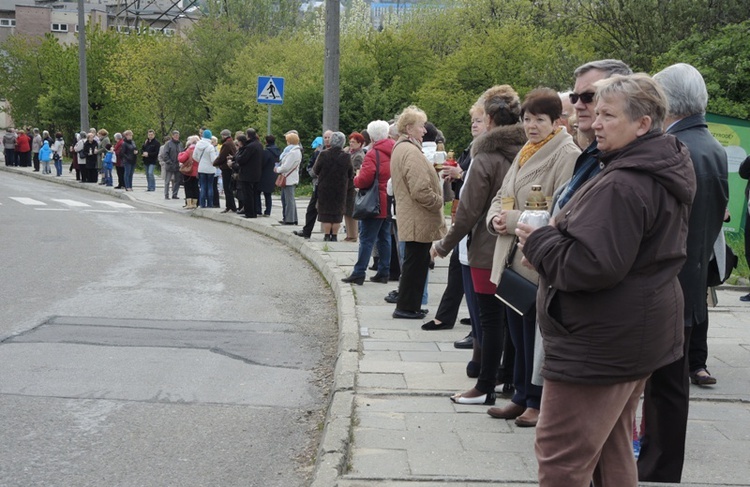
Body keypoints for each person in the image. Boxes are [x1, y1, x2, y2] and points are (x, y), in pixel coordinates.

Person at [518, 73, 696, 487]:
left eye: (607, 115)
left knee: (561, 457)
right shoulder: (650, 165)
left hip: (599, 343)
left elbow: (589, 265)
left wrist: (541, 238)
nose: (594, 123)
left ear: (643, 124)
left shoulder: (624, 182)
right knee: (610, 444)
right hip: (630, 333)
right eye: (595, 113)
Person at [635, 63, 729, 483]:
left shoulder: (680, 147)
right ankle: (657, 465)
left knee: (667, 389)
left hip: (669, 285)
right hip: (686, 282)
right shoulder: (707, 144)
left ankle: (657, 469)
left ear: (666, 101)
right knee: (668, 387)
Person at [485, 88, 580, 427]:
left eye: (540, 119)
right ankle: (521, 395)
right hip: (509, 252)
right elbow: (503, 193)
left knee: (534, 334)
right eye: (527, 118)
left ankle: (537, 402)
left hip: (534, 257)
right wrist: (494, 218)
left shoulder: (566, 153)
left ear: (558, 121)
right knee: (517, 331)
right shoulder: (526, 150)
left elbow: (559, 208)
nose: (532, 125)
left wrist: (508, 220)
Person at [432, 87, 526, 394]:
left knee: (487, 319)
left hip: (487, 245)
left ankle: (484, 385)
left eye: (481, 117)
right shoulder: (526, 149)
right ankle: (510, 378)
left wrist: (443, 245)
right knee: (512, 318)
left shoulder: (486, 155)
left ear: (491, 120)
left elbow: (469, 210)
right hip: (518, 244)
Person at [390, 105, 447, 319]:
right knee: (415, 265)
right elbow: (420, 190)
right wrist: (438, 202)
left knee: (415, 263)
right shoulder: (410, 151)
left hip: (412, 215)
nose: (425, 131)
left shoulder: (402, 148)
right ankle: (406, 307)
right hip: (417, 216)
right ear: (409, 128)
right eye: (421, 126)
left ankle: (410, 305)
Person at [341, 120, 395, 284]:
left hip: (374, 202)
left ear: (371, 137)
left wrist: (356, 180)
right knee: (385, 237)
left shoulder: (373, 153)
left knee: (366, 239)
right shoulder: (395, 150)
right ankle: (384, 271)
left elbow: (365, 180)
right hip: (389, 200)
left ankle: (359, 272)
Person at [313, 132, 353, 241]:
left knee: (326, 213)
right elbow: (351, 173)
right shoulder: (346, 156)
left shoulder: (323, 154)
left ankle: (326, 235)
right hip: (340, 188)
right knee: (337, 214)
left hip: (325, 187)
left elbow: (315, 170)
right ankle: (334, 236)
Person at [295, 131, 332, 237]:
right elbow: (310, 166)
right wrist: (314, 174)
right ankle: (307, 231)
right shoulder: (318, 152)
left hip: (331, 185)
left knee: (329, 210)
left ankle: (329, 233)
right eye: (325, 137)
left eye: (329, 137)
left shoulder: (337, 152)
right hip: (318, 184)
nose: (327, 139)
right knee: (311, 208)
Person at [275, 131, 303, 226]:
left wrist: (277, 169)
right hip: (289, 177)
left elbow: (286, 166)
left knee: (289, 200)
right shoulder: (292, 151)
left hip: (289, 178)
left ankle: (290, 219)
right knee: (288, 199)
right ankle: (291, 218)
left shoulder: (293, 152)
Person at [344, 132, 366, 242]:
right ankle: (349, 234)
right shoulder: (350, 153)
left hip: (353, 186)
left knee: (351, 210)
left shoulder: (358, 156)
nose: (351, 144)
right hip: (348, 185)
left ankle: (352, 235)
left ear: (360, 143)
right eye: (350, 141)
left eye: (354, 142)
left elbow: (356, 171)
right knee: (347, 210)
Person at [237, 128, 264, 218]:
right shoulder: (259, 145)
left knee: (248, 194)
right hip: (257, 173)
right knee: (254, 194)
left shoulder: (250, 146)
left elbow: (242, 159)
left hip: (248, 174)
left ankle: (249, 213)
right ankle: (254, 212)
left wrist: (238, 155)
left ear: (248, 136)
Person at [213, 129, 237, 213]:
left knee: (227, 188)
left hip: (227, 168)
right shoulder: (231, 142)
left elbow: (222, 156)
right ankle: (230, 206)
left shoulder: (226, 144)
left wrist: (215, 163)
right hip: (230, 167)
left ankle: (230, 206)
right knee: (228, 187)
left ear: (224, 135)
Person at [194, 129, 219, 209]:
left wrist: (200, 161)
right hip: (210, 169)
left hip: (201, 168)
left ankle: (202, 204)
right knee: (210, 186)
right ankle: (210, 203)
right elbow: (213, 160)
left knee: (203, 186)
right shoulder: (210, 146)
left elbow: (194, 156)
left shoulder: (198, 144)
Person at [258, 135, 280, 216]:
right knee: (268, 194)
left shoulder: (266, 151)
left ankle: (258, 210)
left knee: (257, 192)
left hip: (264, 174)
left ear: (266, 141)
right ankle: (268, 211)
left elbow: (262, 163)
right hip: (273, 173)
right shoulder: (278, 151)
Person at [178, 135, 200, 209]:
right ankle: (195, 203)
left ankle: (189, 204)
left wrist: (180, 154)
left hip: (189, 171)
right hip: (197, 171)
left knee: (188, 187)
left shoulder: (189, 150)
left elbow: (182, 159)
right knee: (195, 187)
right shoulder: (199, 150)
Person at [163, 131, 183, 199]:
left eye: (178, 135)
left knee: (177, 181)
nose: (177, 137)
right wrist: (169, 162)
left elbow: (182, 153)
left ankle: (175, 194)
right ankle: (166, 194)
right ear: (172, 136)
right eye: (175, 135)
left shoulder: (180, 144)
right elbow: (165, 154)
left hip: (178, 165)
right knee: (167, 181)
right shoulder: (168, 144)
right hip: (170, 165)